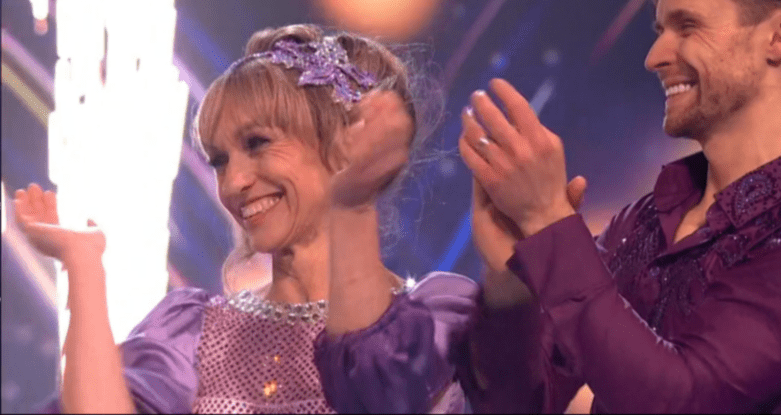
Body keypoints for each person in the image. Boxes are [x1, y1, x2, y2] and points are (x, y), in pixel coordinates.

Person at [458, 0, 781, 413]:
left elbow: (681, 401)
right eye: (661, 27)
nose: (654, 55)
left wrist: (547, 220)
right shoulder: (642, 223)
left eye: (687, 25)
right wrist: (512, 285)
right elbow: (519, 404)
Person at [15, 24, 478, 414]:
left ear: (342, 145)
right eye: (219, 160)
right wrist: (82, 265)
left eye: (257, 143)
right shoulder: (193, 333)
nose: (233, 181)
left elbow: (382, 386)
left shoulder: (435, 317)